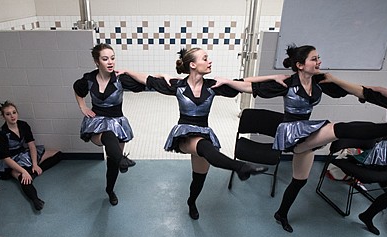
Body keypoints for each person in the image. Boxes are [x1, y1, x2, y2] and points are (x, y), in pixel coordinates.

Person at [213, 44, 387, 232]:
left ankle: (281, 214)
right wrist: (226, 81)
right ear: (300, 65)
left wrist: (377, 89)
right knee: (338, 128)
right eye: (314, 59)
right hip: (291, 133)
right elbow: (250, 87)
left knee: (300, 180)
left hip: (307, 134)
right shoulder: (287, 83)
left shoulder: (319, 82)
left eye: (318, 58)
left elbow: (350, 89)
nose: (319, 62)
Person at [123, 47, 290, 220]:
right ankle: (241, 167)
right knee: (205, 147)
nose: (209, 61)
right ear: (193, 64)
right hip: (185, 134)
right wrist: (127, 70)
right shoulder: (177, 85)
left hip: (203, 132)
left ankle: (192, 202)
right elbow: (146, 80)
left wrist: (273, 77)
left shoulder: (213, 86)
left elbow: (246, 83)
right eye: (205, 58)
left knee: (199, 177)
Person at [321, 73, 387, 235]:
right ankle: (349, 161)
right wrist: (335, 79)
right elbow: (363, 93)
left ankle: (367, 216)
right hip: (383, 153)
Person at [73, 43, 145, 206]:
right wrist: (82, 106)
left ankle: (110, 189)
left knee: (113, 163)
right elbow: (77, 89)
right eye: (105, 59)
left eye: (112, 58)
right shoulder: (89, 79)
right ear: (97, 62)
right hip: (97, 123)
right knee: (108, 135)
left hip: (118, 122)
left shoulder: (121, 79)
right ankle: (122, 160)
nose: (110, 62)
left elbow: (144, 83)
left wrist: (128, 71)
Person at [0, 101, 62, 211]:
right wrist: (24, 172)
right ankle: (35, 200)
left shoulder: (23, 125)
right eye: (8, 114)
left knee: (58, 154)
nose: (12, 116)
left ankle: (32, 171)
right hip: (11, 160)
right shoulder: (0, 133)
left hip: (25, 154)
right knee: (24, 179)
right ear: (3, 116)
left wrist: (35, 164)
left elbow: (31, 145)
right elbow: (6, 158)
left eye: (14, 112)